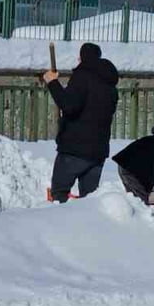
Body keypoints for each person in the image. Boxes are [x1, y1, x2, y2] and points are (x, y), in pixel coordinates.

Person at [42, 43, 119, 203]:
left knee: (59, 195)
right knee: (89, 201)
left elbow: (69, 106)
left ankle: (58, 227)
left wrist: (52, 83)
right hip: (98, 152)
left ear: (82, 57)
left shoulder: (82, 76)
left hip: (74, 149)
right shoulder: (110, 84)